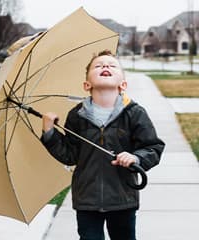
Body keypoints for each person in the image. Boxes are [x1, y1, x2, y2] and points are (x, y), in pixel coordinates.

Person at [41, 50, 165, 240]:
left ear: (123, 84)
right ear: (86, 85)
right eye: (98, 66)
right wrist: (49, 133)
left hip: (122, 198)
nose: (105, 67)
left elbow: (153, 148)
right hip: (87, 200)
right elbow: (70, 154)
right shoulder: (77, 116)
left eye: (112, 65)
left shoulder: (134, 113)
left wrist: (135, 157)